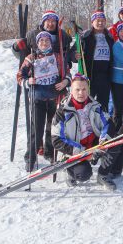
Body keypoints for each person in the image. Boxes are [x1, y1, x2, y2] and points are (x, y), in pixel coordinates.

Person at [50, 74, 120, 190]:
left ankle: (103, 175)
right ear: (71, 91)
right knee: (84, 174)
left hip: (93, 143)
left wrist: (102, 143)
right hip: (73, 149)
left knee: (115, 141)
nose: (81, 93)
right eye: (77, 89)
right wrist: (83, 152)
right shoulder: (62, 111)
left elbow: (108, 124)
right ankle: (69, 171)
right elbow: (56, 140)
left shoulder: (95, 105)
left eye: (84, 89)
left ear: (88, 90)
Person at [19, 31, 71, 171]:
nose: (44, 43)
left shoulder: (58, 57)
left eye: (47, 41)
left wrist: (66, 81)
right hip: (38, 98)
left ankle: (49, 152)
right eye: (41, 41)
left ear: (50, 42)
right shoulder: (31, 58)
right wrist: (28, 81)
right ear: (37, 43)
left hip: (54, 98)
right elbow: (20, 76)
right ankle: (31, 157)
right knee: (37, 129)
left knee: (52, 128)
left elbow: (67, 73)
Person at [71, 10, 114, 111]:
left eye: (103, 20)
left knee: (103, 104)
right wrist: (75, 56)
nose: (100, 23)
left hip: (105, 76)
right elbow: (73, 52)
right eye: (97, 20)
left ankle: (102, 124)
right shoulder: (85, 37)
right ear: (92, 22)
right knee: (86, 102)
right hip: (89, 76)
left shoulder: (110, 37)